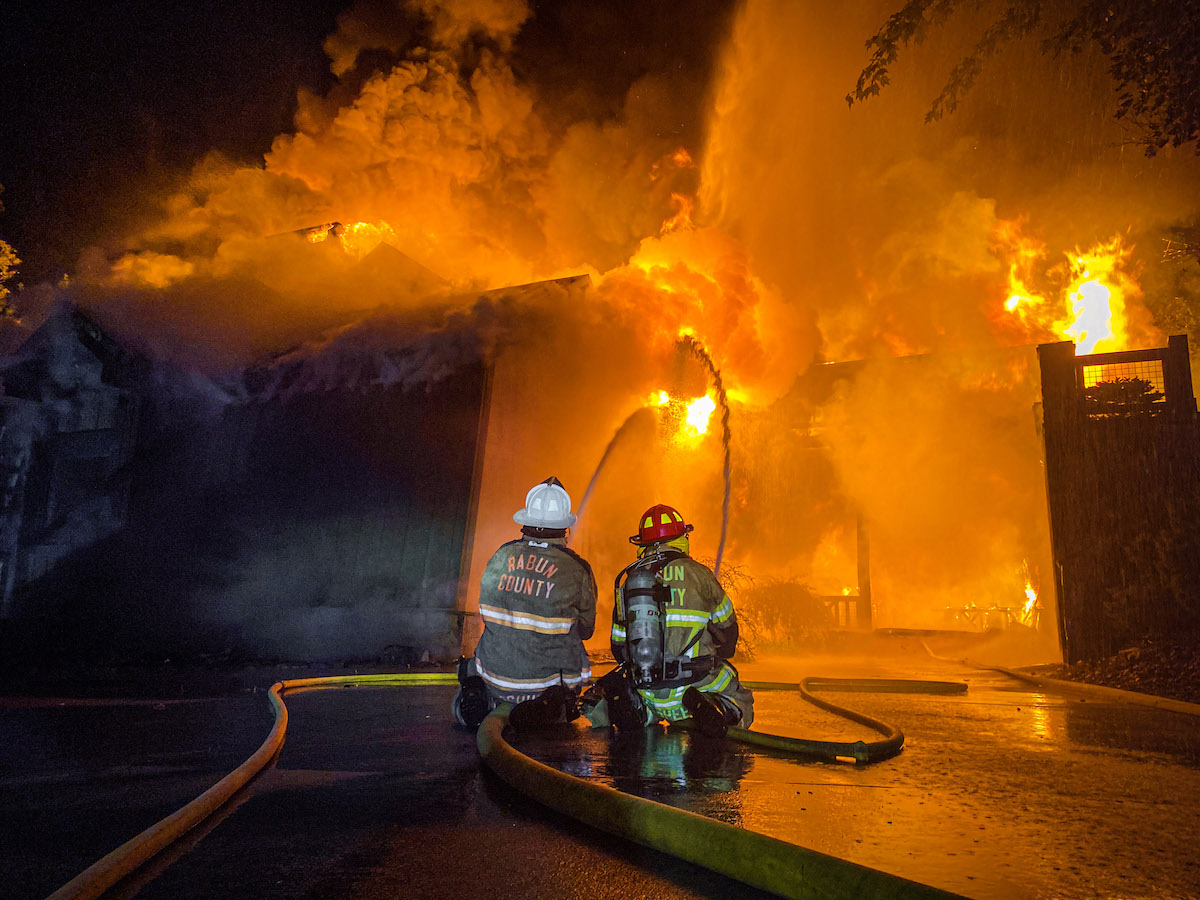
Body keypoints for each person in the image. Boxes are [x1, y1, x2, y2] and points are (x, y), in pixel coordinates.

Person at [585, 503, 753, 737]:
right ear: (682, 537)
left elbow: (618, 647)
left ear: (643, 544)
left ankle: (637, 711)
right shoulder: (700, 575)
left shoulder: (631, 583)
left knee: (632, 700)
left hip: (649, 690)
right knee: (742, 703)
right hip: (696, 683)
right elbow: (729, 635)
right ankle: (712, 706)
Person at [453, 477, 597, 730]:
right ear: (564, 527)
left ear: (525, 522)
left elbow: (487, 611)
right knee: (576, 646)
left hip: (495, 679)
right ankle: (552, 707)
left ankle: (479, 696)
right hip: (545, 687)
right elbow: (587, 630)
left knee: (474, 666)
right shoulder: (577, 569)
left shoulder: (500, 556)